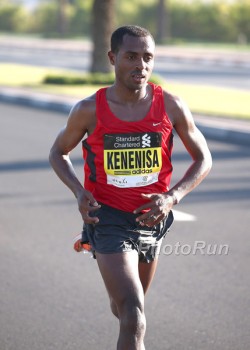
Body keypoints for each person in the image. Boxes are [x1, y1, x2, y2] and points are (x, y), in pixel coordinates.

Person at [49, 25, 212, 350]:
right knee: (134, 314)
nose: (141, 65)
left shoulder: (171, 106)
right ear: (113, 58)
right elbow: (58, 153)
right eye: (131, 56)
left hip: (151, 218)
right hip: (106, 218)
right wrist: (79, 192)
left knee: (124, 307)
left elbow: (203, 158)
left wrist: (172, 196)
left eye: (148, 57)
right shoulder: (88, 109)